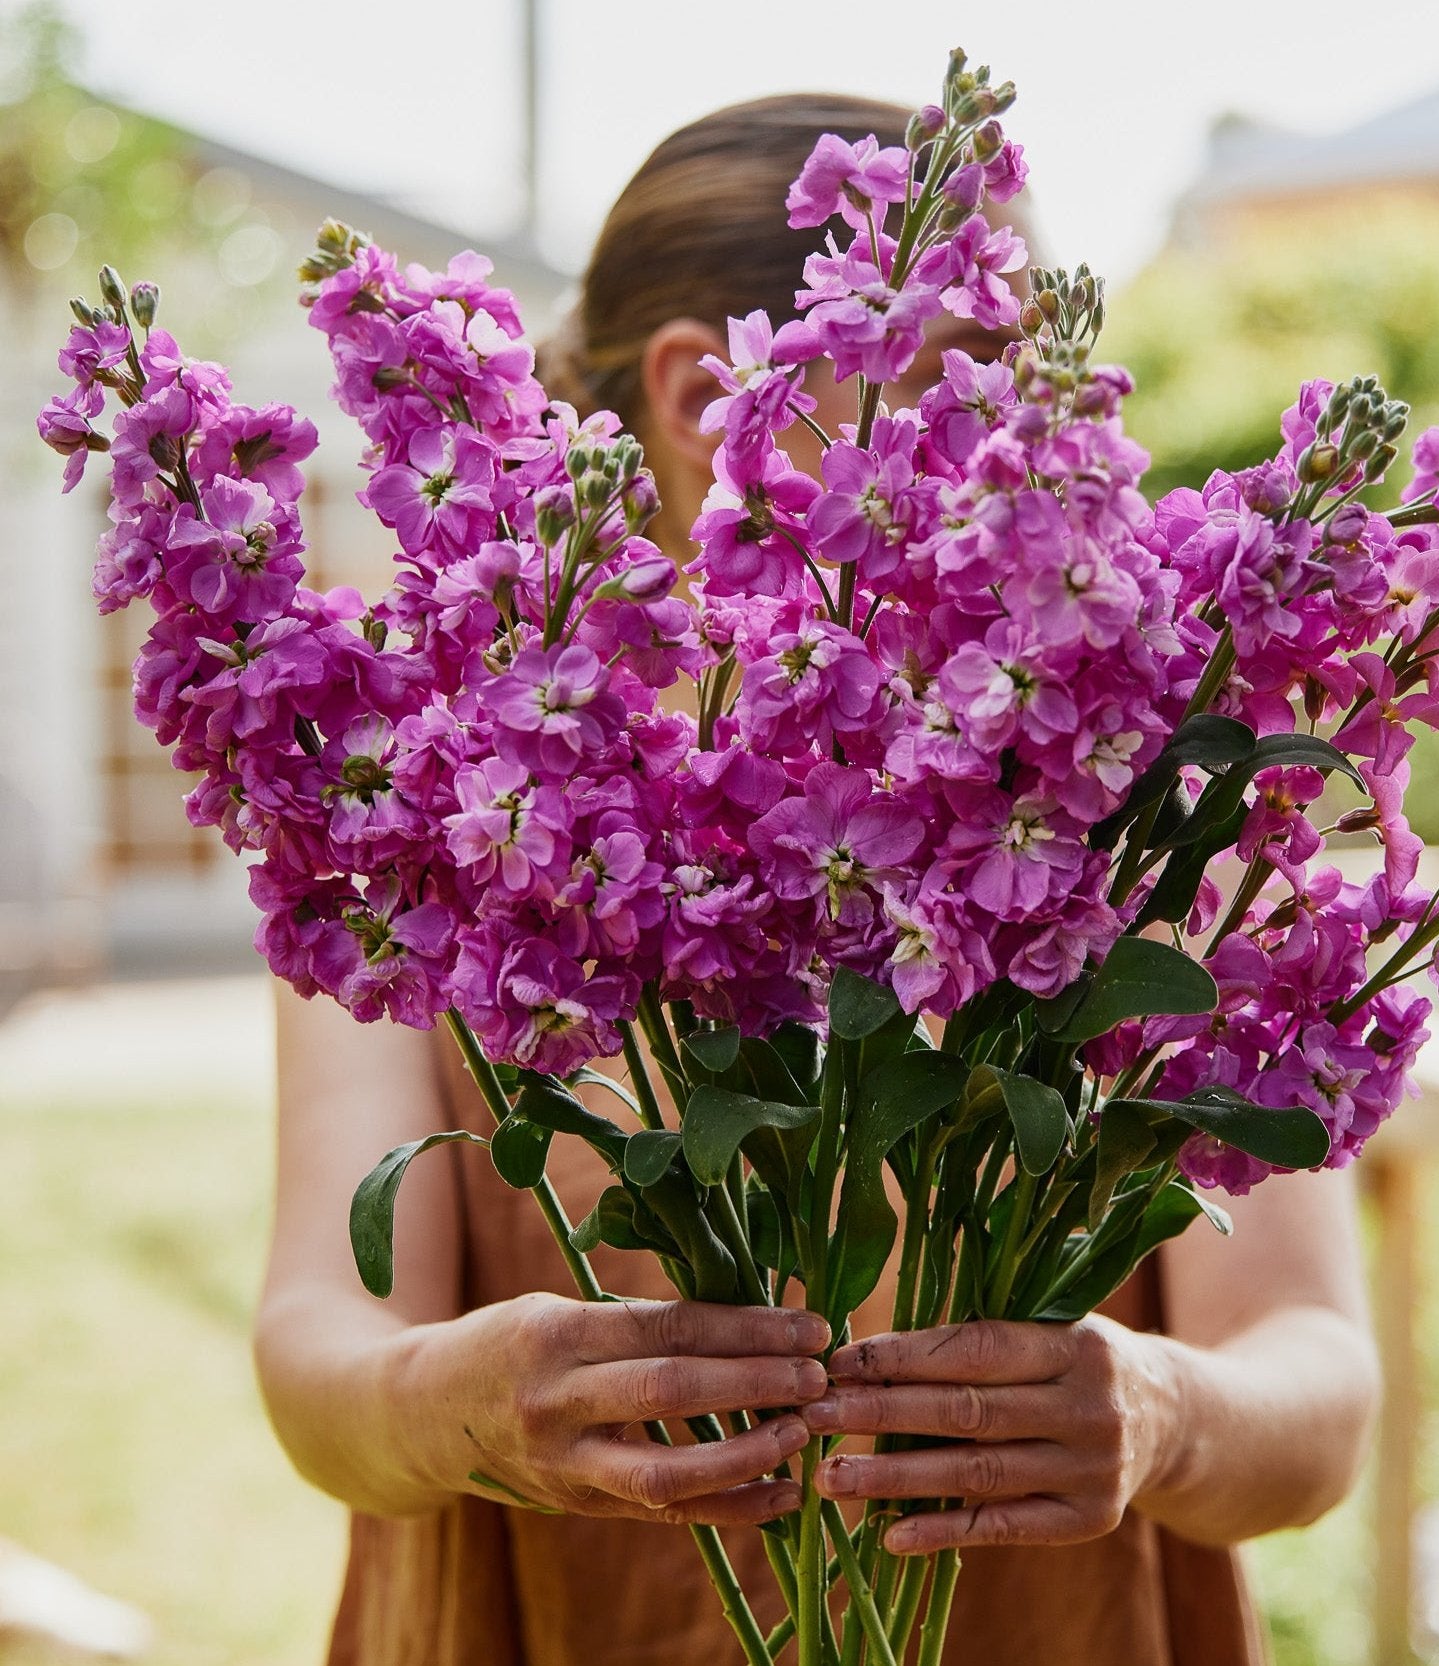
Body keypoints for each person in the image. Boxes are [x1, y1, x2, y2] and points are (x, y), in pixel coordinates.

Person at [255, 95, 1381, 1666]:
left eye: (1036, 398)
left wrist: (1168, 1411)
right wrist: (454, 1403)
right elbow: (320, 1356)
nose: (1019, 455)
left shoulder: (1109, 820)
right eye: (965, 393)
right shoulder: (440, 822)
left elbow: (1319, 1382)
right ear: (708, 397)